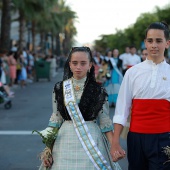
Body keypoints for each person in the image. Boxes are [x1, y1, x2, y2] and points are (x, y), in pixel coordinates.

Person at [39, 47, 122, 170]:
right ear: (69, 65)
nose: (78, 67)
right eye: (75, 63)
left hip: (92, 142)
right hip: (64, 142)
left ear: (90, 65)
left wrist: (114, 146)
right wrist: (47, 149)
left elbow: (105, 123)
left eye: (83, 63)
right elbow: (56, 121)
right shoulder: (60, 88)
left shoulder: (99, 90)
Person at [111, 21, 170, 170]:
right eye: (150, 41)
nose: (154, 45)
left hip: (164, 138)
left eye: (158, 41)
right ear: (145, 43)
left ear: (167, 43)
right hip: (136, 139)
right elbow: (122, 109)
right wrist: (115, 142)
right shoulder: (132, 72)